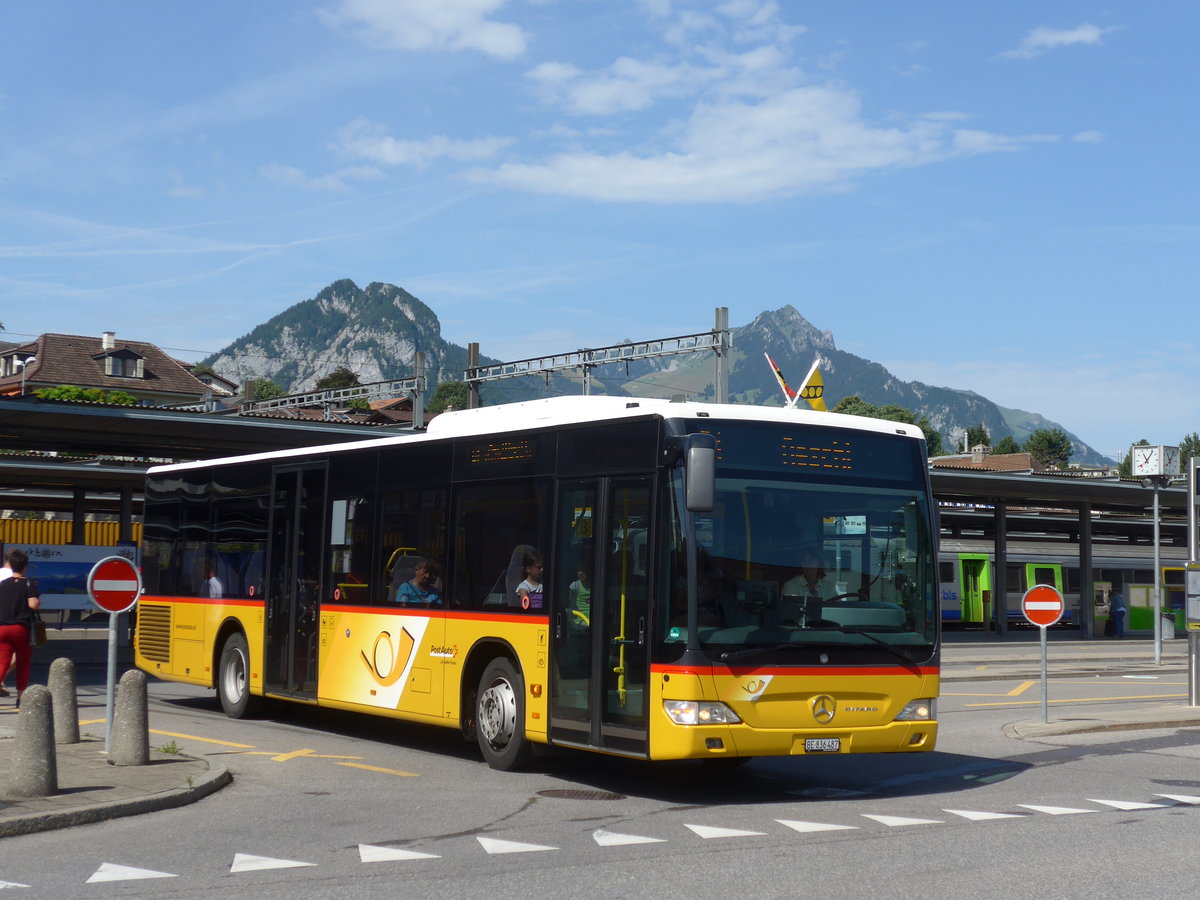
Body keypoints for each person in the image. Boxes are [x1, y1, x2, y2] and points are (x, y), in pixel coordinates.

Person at [0, 549, 42, 706]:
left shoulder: (3, 584)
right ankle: (21, 697)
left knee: (2, 662)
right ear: (25, 567)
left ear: (11, 565)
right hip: (20, 628)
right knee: (23, 663)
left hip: (2, 627)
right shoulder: (28, 583)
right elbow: (33, 605)